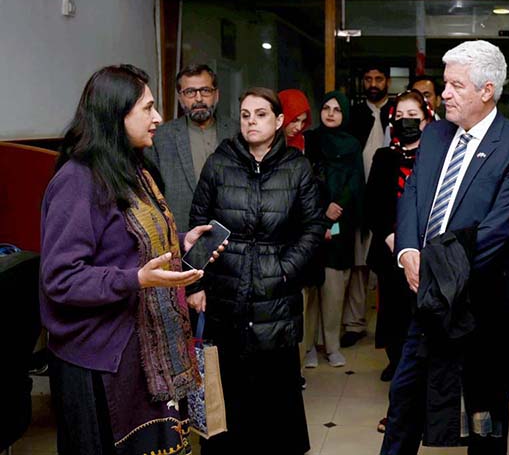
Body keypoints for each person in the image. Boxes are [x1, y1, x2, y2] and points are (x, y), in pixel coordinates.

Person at [40, 64, 224, 455]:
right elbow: (61, 279)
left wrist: (181, 241)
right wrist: (136, 279)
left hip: (144, 353)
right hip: (100, 364)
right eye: (148, 108)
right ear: (115, 115)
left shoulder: (135, 169)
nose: (158, 118)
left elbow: (129, 243)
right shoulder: (78, 180)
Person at [381, 40, 509, 455]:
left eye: (455, 85)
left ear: (487, 91)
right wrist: (407, 252)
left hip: (481, 304)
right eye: (445, 84)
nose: (445, 94)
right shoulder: (436, 135)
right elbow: (413, 197)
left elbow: (495, 232)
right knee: (404, 405)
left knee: (485, 416)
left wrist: (431, 269)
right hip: (425, 300)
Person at [188, 87, 325, 454]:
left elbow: (313, 228)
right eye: (245, 115)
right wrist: (195, 284)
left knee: (274, 395)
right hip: (225, 293)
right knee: (228, 392)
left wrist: (284, 270)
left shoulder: (297, 167)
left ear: (279, 121)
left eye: (261, 114)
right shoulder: (219, 163)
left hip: (275, 296)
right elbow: (199, 223)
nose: (251, 122)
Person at [366, 89, 435, 384]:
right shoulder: (384, 157)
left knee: (421, 308)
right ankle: (396, 361)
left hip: (427, 247)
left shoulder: (435, 157)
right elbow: (371, 203)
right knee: (392, 310)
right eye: (401, 116)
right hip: (389, 247)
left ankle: (421, 364)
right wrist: (389, 235)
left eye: (413, 116)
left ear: (426, 119)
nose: (406, 121)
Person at [303, 91, 365, 368]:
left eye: (336, 109)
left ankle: (332, 345)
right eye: (326, 108)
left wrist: (337, 207)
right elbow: (305, 180)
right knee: (310, 291)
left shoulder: (352, 145)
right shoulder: (310, 140)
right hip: (311, 223)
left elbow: (355, 182)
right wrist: (321, 211)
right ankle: (308, 348)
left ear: (344, 114)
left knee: (334, 289)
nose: (330, 113)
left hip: (341, 224)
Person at [148, 64, 238, 231]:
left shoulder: (236, 132)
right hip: (182, 233)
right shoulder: (160, 138)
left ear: (216, 94)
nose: (198, 99)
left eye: (205, 90)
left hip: (232, 233)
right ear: (180, 98)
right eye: (190, 92)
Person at [343, 64, 392, 348]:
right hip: (358, 199)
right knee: (359, 263)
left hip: (388, 199)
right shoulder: (355, 114)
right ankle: (355, 323)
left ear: (387, 82)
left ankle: (387, 328)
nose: (373, 83)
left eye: (379, 79)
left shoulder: (396, 112)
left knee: (388, 265)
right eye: (369, 78)